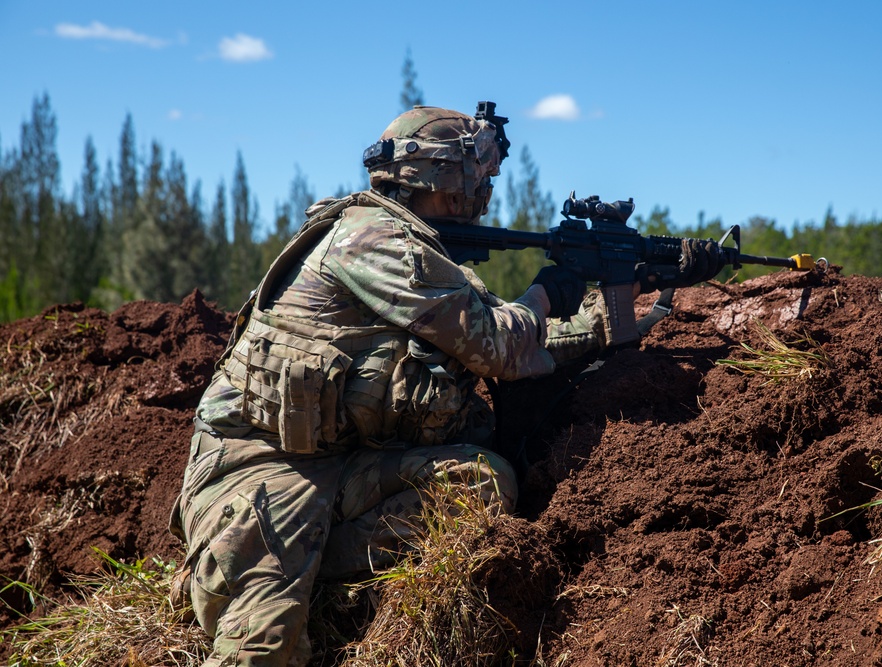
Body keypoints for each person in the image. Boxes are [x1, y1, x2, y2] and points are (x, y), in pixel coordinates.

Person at [169, 102, 719, 666]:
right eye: (475, 184)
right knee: (267, 648)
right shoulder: (374, 241)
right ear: (451, 189)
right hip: (261, 464)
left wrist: (601, 322)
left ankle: (310, 563)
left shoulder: (419, 247)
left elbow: (486, 343)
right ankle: (252, 565)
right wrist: (548, 292)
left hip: (343, 462)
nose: (481, 200)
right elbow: (496, 344)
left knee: (482, 483)